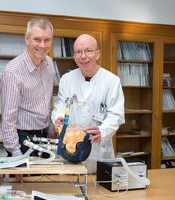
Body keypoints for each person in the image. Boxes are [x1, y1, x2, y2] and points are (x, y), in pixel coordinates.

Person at [52, 34, 125, 173]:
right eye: (78, 52)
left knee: (99, 191)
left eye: (88, 51)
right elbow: (61, 105)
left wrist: (102, 131)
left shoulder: (111, 81)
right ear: (74, 56)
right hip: (70, 146)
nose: (83, 56)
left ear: (97, 54)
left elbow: (116, 115)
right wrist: (58, 118)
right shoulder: (67, 79)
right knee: (69, 188)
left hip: (98, 150)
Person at [0, 17, 54, 158]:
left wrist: (51, 128)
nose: (42, 45)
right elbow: (8, 118)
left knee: (46, 179)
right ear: (27, 39)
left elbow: (47, 103)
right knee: (27, 180)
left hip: (45, 136)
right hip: (22, 139)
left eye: (47, 40)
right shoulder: (12, 72)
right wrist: (16, 154)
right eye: (37, 39)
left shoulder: (49, 64)